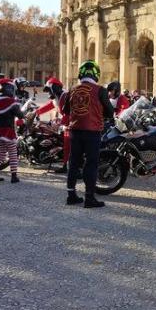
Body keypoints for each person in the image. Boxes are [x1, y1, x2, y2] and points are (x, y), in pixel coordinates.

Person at [62, 60, 115, 208]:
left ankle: (71, 195)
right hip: (92, 131)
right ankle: (89, 198)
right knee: (91, 164)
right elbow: (110, 111)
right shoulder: (100, 90)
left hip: (75, 130)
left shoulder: (72, 89)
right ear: (96, 74)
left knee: (74, 163)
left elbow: (65, 110)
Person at [0, 79, 25, 184]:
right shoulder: (12, 102)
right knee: (13, 153)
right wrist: (24, 113)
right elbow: (20, 115)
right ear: (10, 89)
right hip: (8, 130)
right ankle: (14, 176)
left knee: (1, 152)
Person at [36, 77, 70, 173]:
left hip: (72, 124)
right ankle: (65, 164)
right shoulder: (57, 98)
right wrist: (36, 112)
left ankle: (67, 166)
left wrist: (61, 124)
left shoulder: (65, 96)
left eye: (49, 91)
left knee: (68, 144)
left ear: (54, 89)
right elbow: (49, 106)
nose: (48, 93)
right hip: (67, 123)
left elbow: (68, 113)